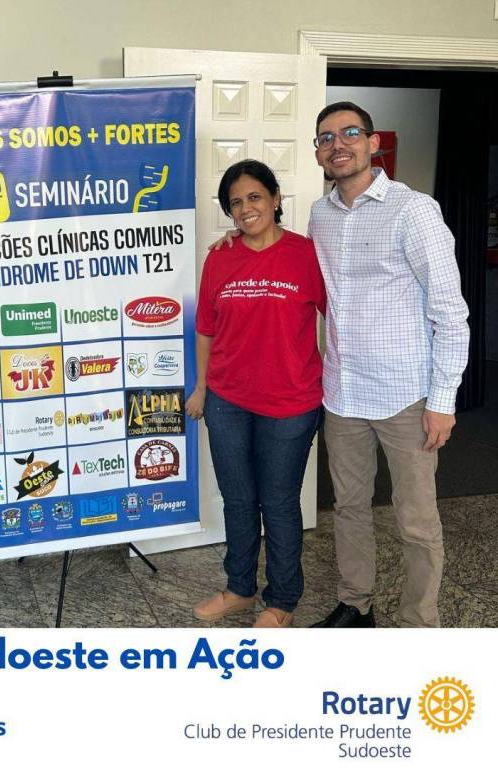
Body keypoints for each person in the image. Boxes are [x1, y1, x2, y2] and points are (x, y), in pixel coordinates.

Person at [307, 102, 469, 628]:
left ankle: (419, 625)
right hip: (343, 393)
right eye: (326, 137)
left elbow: (451, 313)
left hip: (405, 396)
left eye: (350, 133)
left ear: (373, 143)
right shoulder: (319, 215)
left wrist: (442, 401)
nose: (338, 144)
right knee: (349, 509)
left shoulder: (414, 210)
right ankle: (356, 604)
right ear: (318, 152)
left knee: (416, 521)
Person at [188, 160, 325, 628]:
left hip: (290, 404)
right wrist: (202, 387)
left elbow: (342, 316)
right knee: (238, 499)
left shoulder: (307, 255)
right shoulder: (220, 258)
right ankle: (239, 588)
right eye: (235, 203)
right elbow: (206, 329)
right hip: (228, 401)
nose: (245, 208)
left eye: (254, 197)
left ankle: (282, 600)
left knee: (279, 502)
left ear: (275, 199)